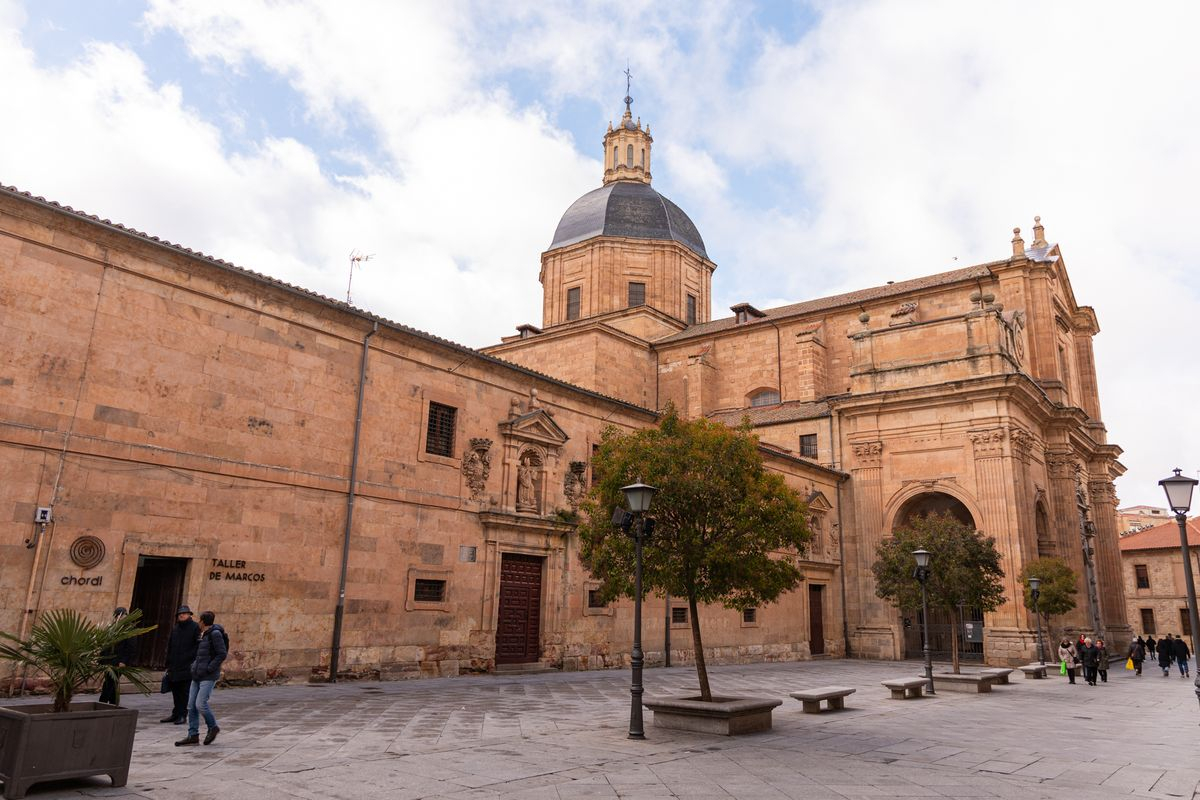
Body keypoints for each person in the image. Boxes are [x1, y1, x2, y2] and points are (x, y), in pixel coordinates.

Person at [176, 610, 227, 747]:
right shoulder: (204, 634)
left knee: (200, 704)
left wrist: (209, 668)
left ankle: (213, 727)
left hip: (208, 676)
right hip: (197, 675)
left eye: (199, 620)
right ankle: (193, 735)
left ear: (203, 621)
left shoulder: (215, 634)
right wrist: (194, 667)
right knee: (191, 706)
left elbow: (222, 654)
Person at [161, 605, 200, 724]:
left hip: (187, 666)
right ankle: (175, 713)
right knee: (175, 691)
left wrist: (191, 660)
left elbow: (197, 647)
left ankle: (183, 714)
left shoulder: (195, 628)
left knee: (184, 692)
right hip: (174, 665)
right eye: (180, 614)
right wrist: (168, 662)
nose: (181, 615)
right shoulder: (176, 628)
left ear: (189, 615)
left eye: (184, 613)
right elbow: (170, 645)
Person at [99, 607, 136, 706]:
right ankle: (113, 704)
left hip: (119, 661)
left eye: (123, 615)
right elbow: (105, 644)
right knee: (111, 683)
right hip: (108, 660)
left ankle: (102, 703)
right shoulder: (111, 628)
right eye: (119, 616)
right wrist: (101, 658)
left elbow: (130, 648)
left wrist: (124, 661)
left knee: (109, 683)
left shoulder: (128, 630)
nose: (120, 618)